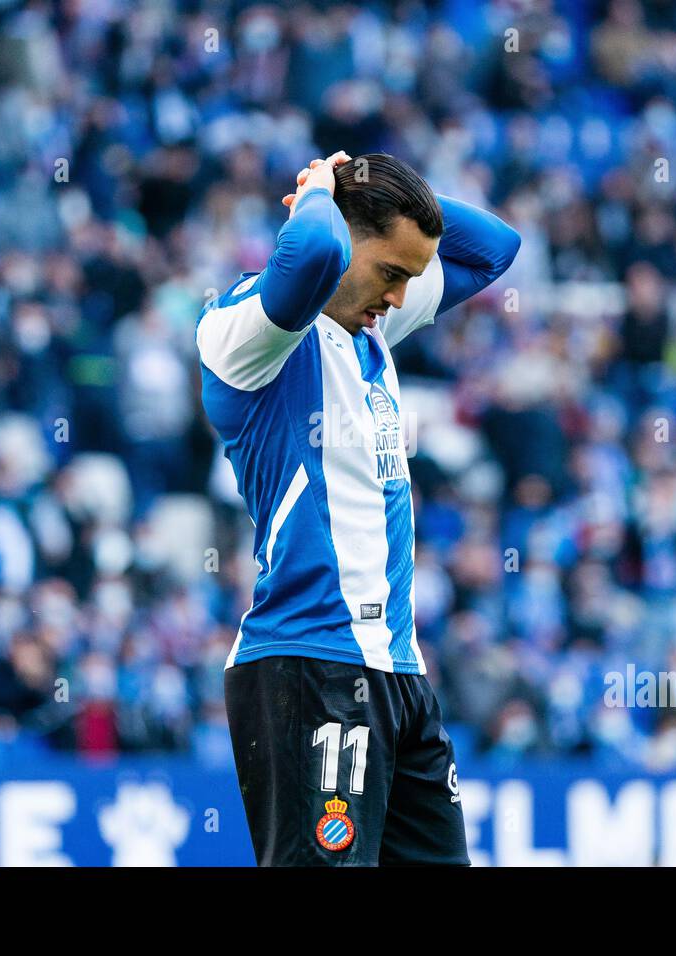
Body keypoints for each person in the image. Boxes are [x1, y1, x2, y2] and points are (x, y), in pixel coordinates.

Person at [197, 151, 520, 865]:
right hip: (311, 664)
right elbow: (312, 249)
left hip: (398, 670)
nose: (401, 298)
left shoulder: (369, 330)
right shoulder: (247, 334)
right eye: (391, 275)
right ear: (347, 241)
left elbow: (496, 248)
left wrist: (373, 187)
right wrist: (322, 189)